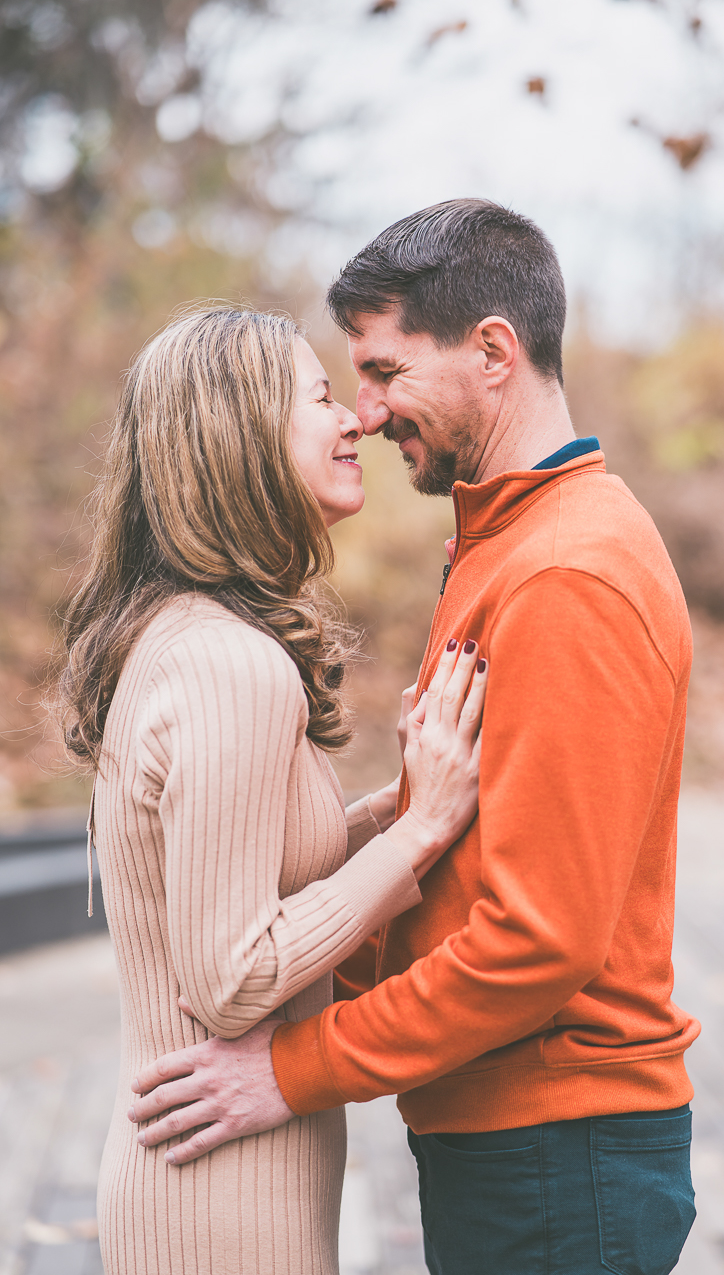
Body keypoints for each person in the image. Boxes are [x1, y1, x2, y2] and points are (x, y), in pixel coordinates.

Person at [130, 201, 701, 1275]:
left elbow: (538, 939)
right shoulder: (504, 541)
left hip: (559, 1150)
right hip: (512, 1138)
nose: (369, 407)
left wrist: (292, 1065)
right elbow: (467, 867)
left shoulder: (567, 571)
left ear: (493, 349)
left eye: (388, 369)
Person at [56, 306, 488, 1275]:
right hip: (221, 1197)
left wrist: (393, 805)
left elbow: (237, 864)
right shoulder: (228, 665)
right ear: (238, 437)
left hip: (214, 1175)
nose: (358, 421)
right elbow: (234, 973)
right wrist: (416, 835)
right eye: (322, 397)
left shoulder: (184, 633)